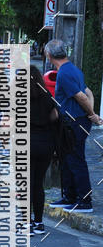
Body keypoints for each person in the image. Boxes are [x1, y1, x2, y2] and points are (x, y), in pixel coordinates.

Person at [44, 39, 103, 212]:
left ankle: (85, 201)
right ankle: (69, 196)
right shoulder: (73, 69)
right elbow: (88, 92)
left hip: (75, 122)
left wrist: (91, 114)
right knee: (67, 159)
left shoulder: (64, 73)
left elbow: (82, 97)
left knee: (75, 160)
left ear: (49, 55)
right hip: (73, 121)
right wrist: (91, 114)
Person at [29, 66, 58, 234]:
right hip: (45, 145)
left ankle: (26, 224)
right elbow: (55, 116)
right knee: (38, 184)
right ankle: (39, 223)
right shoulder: (47, 97)